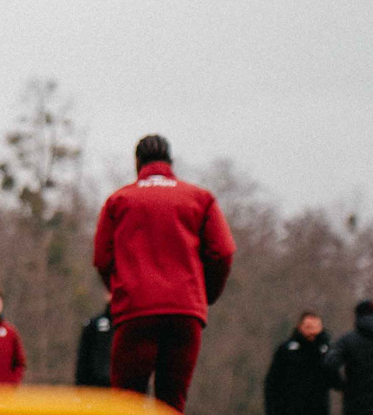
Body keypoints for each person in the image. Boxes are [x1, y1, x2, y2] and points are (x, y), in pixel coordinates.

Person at [92, 134, 236, 412]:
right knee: (171, 401)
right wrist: (204, 294)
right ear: (170, 161)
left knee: (126, 402)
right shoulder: (200, 198)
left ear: (138, 163)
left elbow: (102, 258)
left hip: (135, 310)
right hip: (185, 311)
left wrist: (119, 291)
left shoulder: (119, 200)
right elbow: (223, 252)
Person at [263, 310, 333, 415]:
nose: (313, 331)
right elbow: (272, 383)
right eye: (308, 327)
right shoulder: (286, 351)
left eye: (316, 327)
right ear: (300, 327)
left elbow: (335, 378)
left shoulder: (326, 351)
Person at [74, 291, 113, 388]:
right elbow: (83, 362)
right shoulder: (93, 326)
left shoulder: (130, 326)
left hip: (123, 391)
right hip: (96, 389)